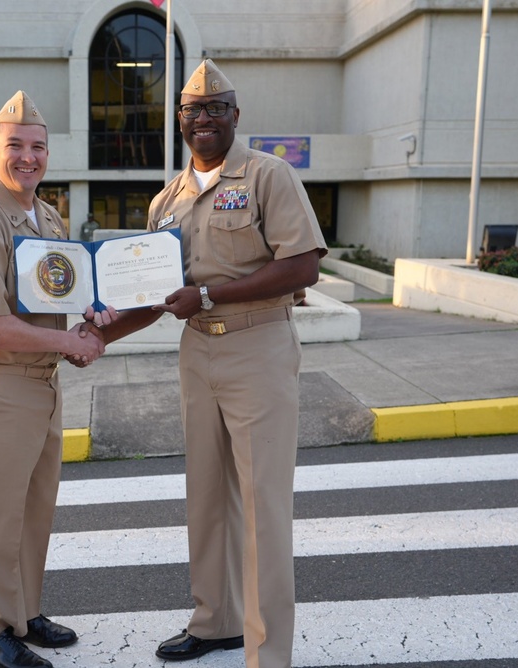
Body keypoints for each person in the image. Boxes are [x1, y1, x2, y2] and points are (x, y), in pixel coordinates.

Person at [98, 59, 327, 667]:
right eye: (193, 110)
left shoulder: (268, 176)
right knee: (206, 495)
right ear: (179, 119)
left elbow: (303, 265)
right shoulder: (166, 200)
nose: (204, 119)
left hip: (259, 347)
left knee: (263, 505)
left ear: (235, 115)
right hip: (197, 351)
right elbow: (153, 296)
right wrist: (96, 335)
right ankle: (217, 621)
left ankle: (267, 652)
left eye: (216, 108)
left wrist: (208, 295)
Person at [0, 90, 111, 668]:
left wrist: (93, 314)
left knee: (34, 508)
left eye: (37, 147)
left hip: (40, 384)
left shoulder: (45, 214)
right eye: (15, 146)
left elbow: (55, 293)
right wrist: (71, 343)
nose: (27, 156)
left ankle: (23, 613)